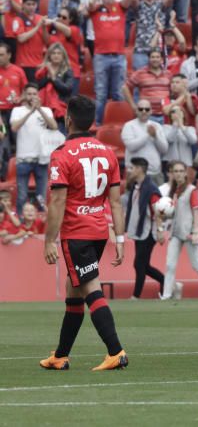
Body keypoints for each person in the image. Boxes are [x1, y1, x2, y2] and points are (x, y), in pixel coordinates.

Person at [40, 96, 128, 371]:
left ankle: (116, 351)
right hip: (99, 231)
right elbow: (115, 201)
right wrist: (121, 239)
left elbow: (57, 202)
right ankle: (60, 355)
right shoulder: (107, 151)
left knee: (90, 287)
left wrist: (48, 240)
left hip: (76, 232)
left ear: (67, 119)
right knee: (74, 289)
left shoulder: (62, 154)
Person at [158, 161, 198, 300]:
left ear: (185, 173)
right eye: (176, 171)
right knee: (170, 265)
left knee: (196, 264)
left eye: (181, 171)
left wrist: (196, 232)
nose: (179, 173)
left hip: (188, 233)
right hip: (176, 232)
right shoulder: (174, 191)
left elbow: (196, 211)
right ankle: (167, 294)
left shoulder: (191, 190)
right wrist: (164, 215)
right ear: (172, 174)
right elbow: (175, 213)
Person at [10, 84, 59, 213]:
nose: (32, 96)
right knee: (21, 196)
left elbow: (54, 127)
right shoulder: (17, 111)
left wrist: (39, 110)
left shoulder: (46, 110)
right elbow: (14, 128)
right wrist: (31, 112)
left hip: (41, 159)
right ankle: (21, 227)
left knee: (41, 197)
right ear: (24, 96)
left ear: (38, 96)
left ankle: (41, 227)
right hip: (23, 159)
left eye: (34, 94)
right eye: (29, 94)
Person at [123, 157, 165, 299]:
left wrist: (160, 231)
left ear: (140, 169)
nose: (129, 170)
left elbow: (158, 211)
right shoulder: (137, 186)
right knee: (143, 265)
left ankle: (135, 296)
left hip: (148, 232)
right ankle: (167, 282)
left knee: (139, 264)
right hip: (140, 232)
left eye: (132, 168)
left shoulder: (151, 189)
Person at [121, 99, 168, 183]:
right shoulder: (129, 126)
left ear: (151, 111)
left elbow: (164, 149)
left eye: (147, 109)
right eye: (140, 109)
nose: (144, 111)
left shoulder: (157, 126)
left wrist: (155, 136)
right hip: (135, 174)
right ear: (136, 111)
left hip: (155, 173)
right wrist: (148, 135)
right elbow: (131, 146)